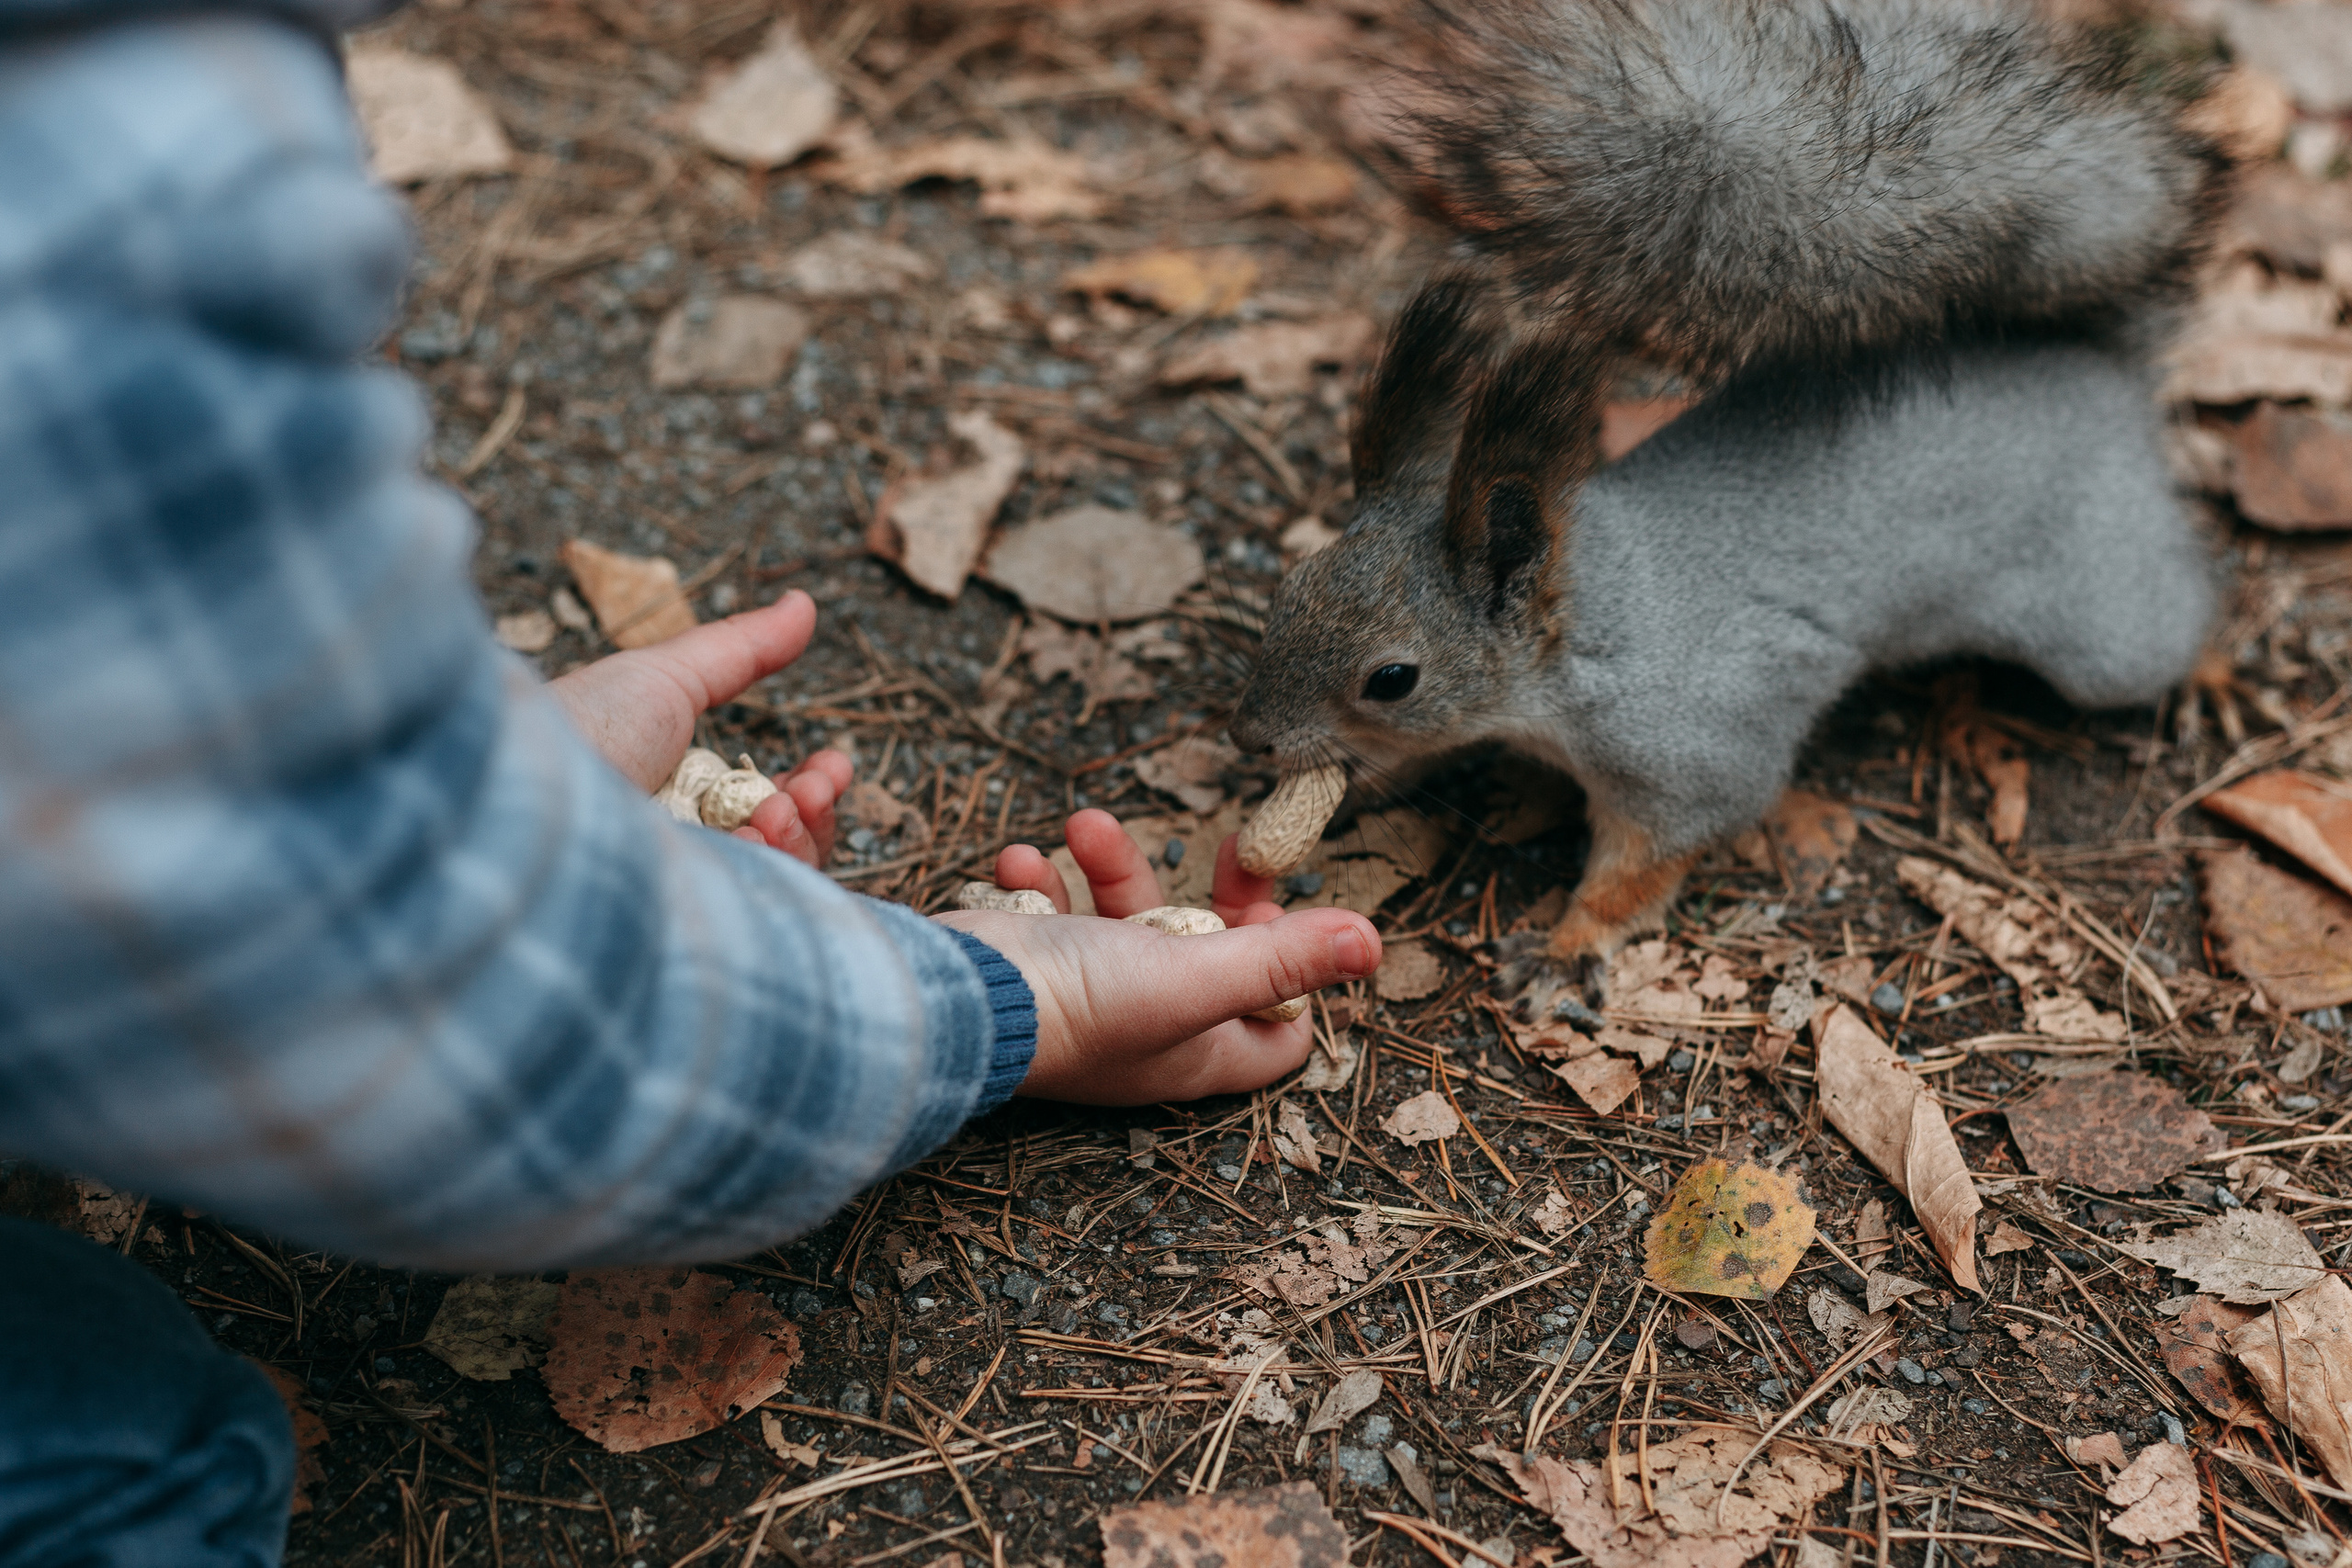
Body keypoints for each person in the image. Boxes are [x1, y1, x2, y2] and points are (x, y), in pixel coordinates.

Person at [0, 4, 1381, 1562]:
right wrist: (1009, 1001)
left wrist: (471, 775)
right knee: (148, 1449)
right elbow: (461, 1024)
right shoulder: (102, 154)